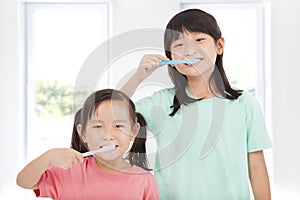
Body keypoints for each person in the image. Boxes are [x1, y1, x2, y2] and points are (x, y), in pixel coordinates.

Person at [121, 8, 272, 199]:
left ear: (219, 45)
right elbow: (110, 114)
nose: (189, 50)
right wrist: (138, 76)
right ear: (171, 58)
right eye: (179, 44)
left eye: (199, 40)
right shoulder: (159, 103)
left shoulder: (244, 104)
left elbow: (256, 167)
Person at [16, 89, 159, 200]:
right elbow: (24, 182)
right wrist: (48, 157)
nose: (108, 136)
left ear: (134, 132)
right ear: (83, 133)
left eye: (118, 126)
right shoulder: (69, 171)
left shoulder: (144, 180)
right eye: (98, 127)